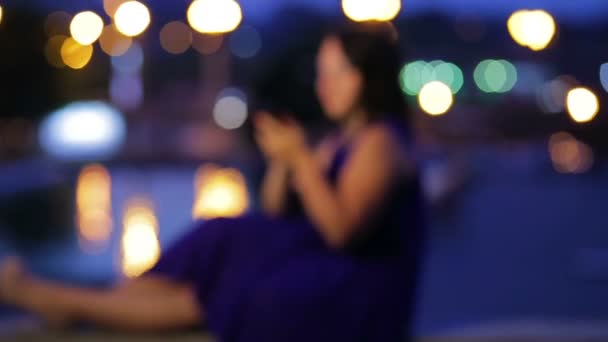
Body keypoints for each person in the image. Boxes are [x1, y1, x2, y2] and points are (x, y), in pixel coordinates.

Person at [0, 22, 425, 341]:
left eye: (337, 74)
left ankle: (62, 301)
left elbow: (340, 232)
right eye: (321, 73)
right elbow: (278, 214)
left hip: (359, 294)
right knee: (223, 236)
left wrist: (300, 158)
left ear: (368, 77)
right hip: (321, 268)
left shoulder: (380, 142)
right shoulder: (341, 138)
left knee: (226, 285)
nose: (324, 86)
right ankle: (91, 302)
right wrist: (283, 162)